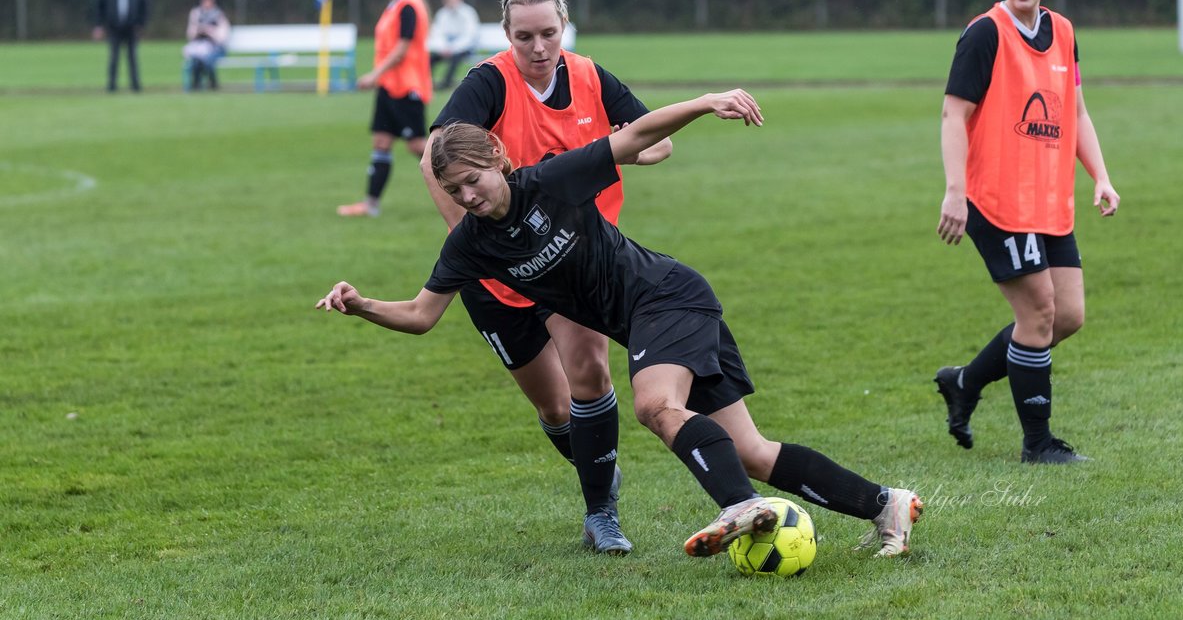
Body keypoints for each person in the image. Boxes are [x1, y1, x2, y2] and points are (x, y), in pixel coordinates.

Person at [318, 90, 924, 561]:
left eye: (474, 180)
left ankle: (742, 507)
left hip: (668, 297)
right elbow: (423, 315)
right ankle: (886, 506)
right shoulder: (471, 246)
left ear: (498, 160)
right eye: (455, 189)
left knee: (654, 405)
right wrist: (363, 303)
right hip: (653, 321)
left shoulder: (550, 180)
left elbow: (635, 136)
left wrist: (707, 102)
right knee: (751, 450)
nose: (468, 196)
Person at [421, 0, 671, 557]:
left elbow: (655, 139)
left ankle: (600, 515)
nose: (538, 48)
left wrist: (625, 144)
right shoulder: (488, 82)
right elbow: (435, 159)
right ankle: (597, 470)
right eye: (525, 36)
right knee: (555, 407)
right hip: (496, 275)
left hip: (571, 259)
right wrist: (472, 240)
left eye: (549, 34)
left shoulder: (588, 75)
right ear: (506, 35)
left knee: (590, 373)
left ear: (565, 28)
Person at [934, 0, 1120, 464]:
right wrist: (954, 191)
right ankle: (1038, 444)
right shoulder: (984, 34)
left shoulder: (1062, 30)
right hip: (995, 201)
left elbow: (1077, 111)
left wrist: (1101, 176)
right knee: (1039, 312)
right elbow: (953, 114)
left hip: (1050, 201)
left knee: (1067, 317)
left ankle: (965, 382)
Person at [337, 0, 432, 218]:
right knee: (381, 141)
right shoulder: (395, 5)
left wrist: (374, 74)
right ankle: (371, 204)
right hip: (390, 87)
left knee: (417, 145)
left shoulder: (409, 5)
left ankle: (469, 184)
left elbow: (402, 49)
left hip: (406, 86)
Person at [93, 0, 150, 93]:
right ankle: (111, 86)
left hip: (132, 26)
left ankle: (135, 86)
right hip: (114, 26)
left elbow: (145, 5)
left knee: (132, 57)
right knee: (113, 57)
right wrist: (99, 25)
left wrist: (141, 23)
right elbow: (99, 5)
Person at [428, 0, 480, 90]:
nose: (452, 0)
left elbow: (469, 36)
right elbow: (437, 34)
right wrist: (444, 47)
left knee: (456, 58)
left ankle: (446, 83)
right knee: (430, 58)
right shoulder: (442, 14)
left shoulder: (468, 13)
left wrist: (453, 48)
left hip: (463, 48)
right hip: (445, 48)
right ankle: (427, 82)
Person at [183, 0, 231, 91]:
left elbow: (223, 36)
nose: (206, 5)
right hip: (200, 46)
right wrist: (199, 32)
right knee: (196, 61)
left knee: (206, 61)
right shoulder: (196, 14)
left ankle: (212, 84)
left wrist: (210, 32)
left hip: (215, 47)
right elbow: (190, 34)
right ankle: (197, 84)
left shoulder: (219, 15)